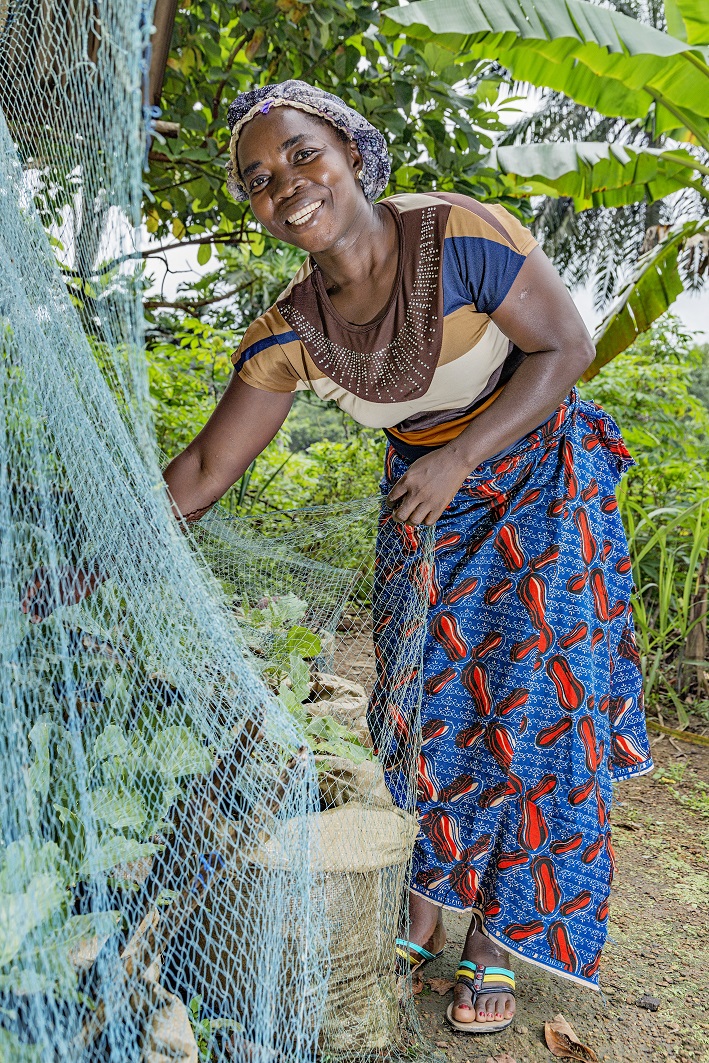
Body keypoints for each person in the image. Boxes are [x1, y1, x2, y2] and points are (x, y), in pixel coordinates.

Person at [24, 80, 653, 1035]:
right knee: (416, 698)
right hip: (428, 500)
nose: (287, 186)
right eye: (259, 180)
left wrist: (459, 456)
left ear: (353, 152)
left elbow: (565, 347)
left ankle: (491, 941)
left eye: (302, 155)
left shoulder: (459, 237)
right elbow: (199, 469)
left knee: (527, 706)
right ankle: (422, 901)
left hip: (539, 482)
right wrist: (94, 559)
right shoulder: (289, 333)